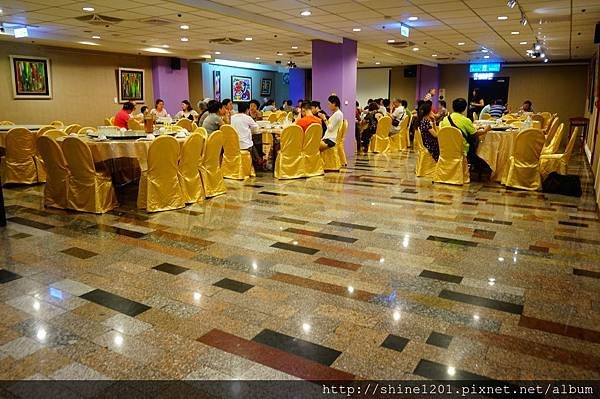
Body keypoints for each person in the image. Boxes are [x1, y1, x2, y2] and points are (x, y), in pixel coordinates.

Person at [440, 97, 491, 166]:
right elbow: (475, 134)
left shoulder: (445, 119)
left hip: (447, 148)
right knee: (477, 141)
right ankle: (477, 164)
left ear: (453, 107)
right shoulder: (466, 120)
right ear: (464, 108)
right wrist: (485, 130)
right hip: (461, 149)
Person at [231, 102, 266, 169]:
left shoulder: (232, 117)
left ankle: (258, 160)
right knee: (251, 142)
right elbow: (256, 128)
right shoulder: (247, 118)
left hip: (233, 144)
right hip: (244, 145)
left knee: (250, 142)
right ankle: (258, 161)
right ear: (247, 110)